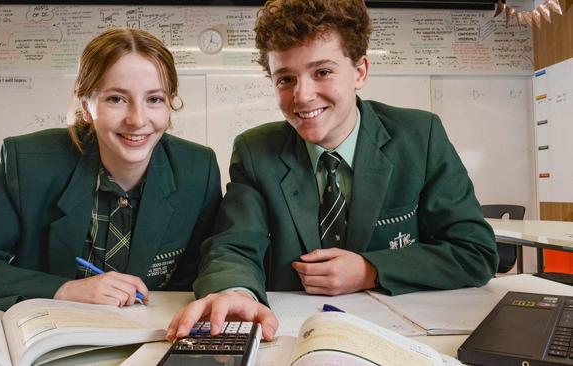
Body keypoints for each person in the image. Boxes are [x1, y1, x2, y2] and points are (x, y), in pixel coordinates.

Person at [167, 0, 497, 341]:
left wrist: (370, 270)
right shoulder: (256, 151)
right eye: (285, 79)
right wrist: (235, 292)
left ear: (360, 72)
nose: (303, 95)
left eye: (322, 72)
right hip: (290, 339)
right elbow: (234, 246)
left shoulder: (419, 136)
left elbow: (475, 251)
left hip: (403, 337)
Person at [0, 28, 221, 311]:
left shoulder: (198, 169)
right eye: (116, 99)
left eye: (154, 99)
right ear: (86, 106)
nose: (137, 119)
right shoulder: (28, 163)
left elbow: (205, 274)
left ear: (170, 104)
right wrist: (65, 289)